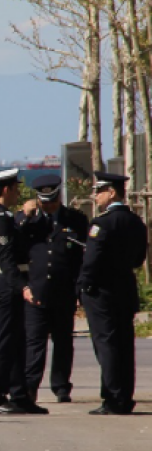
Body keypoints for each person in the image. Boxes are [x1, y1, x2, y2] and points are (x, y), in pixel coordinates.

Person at [78, 171, 148, 415]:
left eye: (99, 191)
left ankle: (112, 397)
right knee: (124, 344)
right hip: (125, 287)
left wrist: (83, 285)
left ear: (111, 192)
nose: (95, 196)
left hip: (102, 290)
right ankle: (124, 397)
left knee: (106, 344)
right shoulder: (136, 222)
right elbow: (139, 258)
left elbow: (92, 260)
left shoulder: (101, 224)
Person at [15, 174, 89, 404]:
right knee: (34, 344)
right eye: (44, 202)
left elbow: (81, 258)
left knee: (63, 343)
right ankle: (30, 387)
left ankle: (61, 386)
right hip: (36, 291)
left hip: (64, 291)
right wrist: (25, 216)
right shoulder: (28, 221)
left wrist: (78, 291)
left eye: (52, 200)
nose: (49, 206)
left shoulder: (75, 220)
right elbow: (14, 247)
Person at [0, 168, 46, 415]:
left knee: (17, 342)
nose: (18, 193)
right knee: (4, 342)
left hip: (5, 283)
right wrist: (23, 287)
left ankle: (19, 395)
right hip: (5, 285)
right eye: (16, 188)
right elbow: (6, 260)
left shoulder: (0, 215)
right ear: (6, 190)